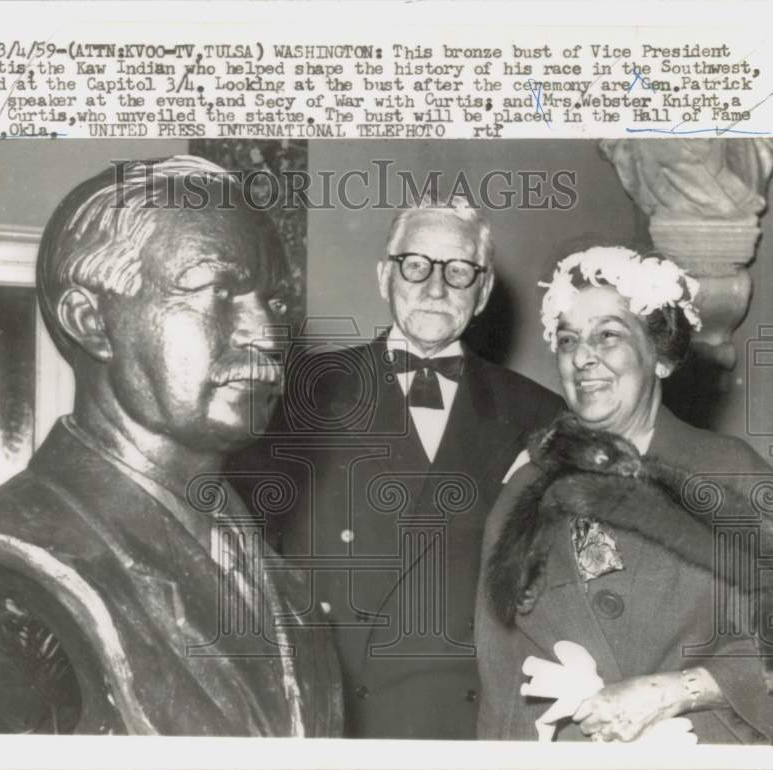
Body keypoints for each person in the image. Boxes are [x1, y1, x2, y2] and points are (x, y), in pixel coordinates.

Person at [0, 156, 342, 736]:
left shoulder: (287, 591)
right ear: (91, 321)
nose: (268, 335)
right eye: (217, 290)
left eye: (275, 303)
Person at [232, 196, 562, 739]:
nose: (436, 289)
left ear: (481, 295)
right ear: (385, 276)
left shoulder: (537, 414)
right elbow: (245, 555)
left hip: (454, 720)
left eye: (458, 271)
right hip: (325, 707)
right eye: (416, 266)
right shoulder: (297, 392)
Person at [474, 246, 773, 743]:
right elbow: (500, 682)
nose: (582, 356)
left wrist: (671, 692)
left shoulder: (731, 474)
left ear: (662, 357)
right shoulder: (522, 491)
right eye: (568, 339)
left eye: (607, 335)